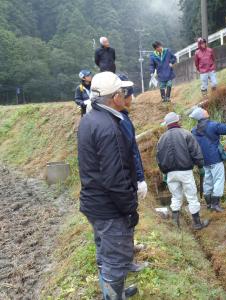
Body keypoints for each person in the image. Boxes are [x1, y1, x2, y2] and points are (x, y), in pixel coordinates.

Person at [77, 71, 139, 299]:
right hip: (109, 208)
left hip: (94, 202)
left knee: (105, 253)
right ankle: (113, 293)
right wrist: (130, 208)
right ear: (115, 98)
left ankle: (116, 292)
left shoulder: (90, 119)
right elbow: (115, 178)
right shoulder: (109, 128)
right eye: (122, 92)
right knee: (116, 258)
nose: (125, 96)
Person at [117, 74, 149, 273]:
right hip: (123, 181)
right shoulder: (119, 120)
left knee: (128, 217)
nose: (133, 99)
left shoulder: (121, 117)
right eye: (131, 95)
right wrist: (139, 178)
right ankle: (126, 260)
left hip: (125, 179)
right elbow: (131, 153)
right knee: (125, 218)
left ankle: (129, 248)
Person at [156, 112, 209, 230]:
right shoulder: (185, 134)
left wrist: (164, 173)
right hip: (185, 171)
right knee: (191, 197)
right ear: (177, 121)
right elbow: (196, 152)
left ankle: (176, 226)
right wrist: (200, 166)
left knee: (175, 197)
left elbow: (159, 157)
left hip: (170, 173)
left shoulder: (162, 138)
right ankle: (197, 223)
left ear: (167, 124)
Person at [190, 107, 226, 212]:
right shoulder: (213, 126)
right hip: (215, 159)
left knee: (208, 181)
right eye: (204, 110)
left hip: (203, 161)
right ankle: (216, 204)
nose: (206, 110)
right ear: (202, 115)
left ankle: (209, 204)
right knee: (218, 180)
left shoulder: (193, 131)